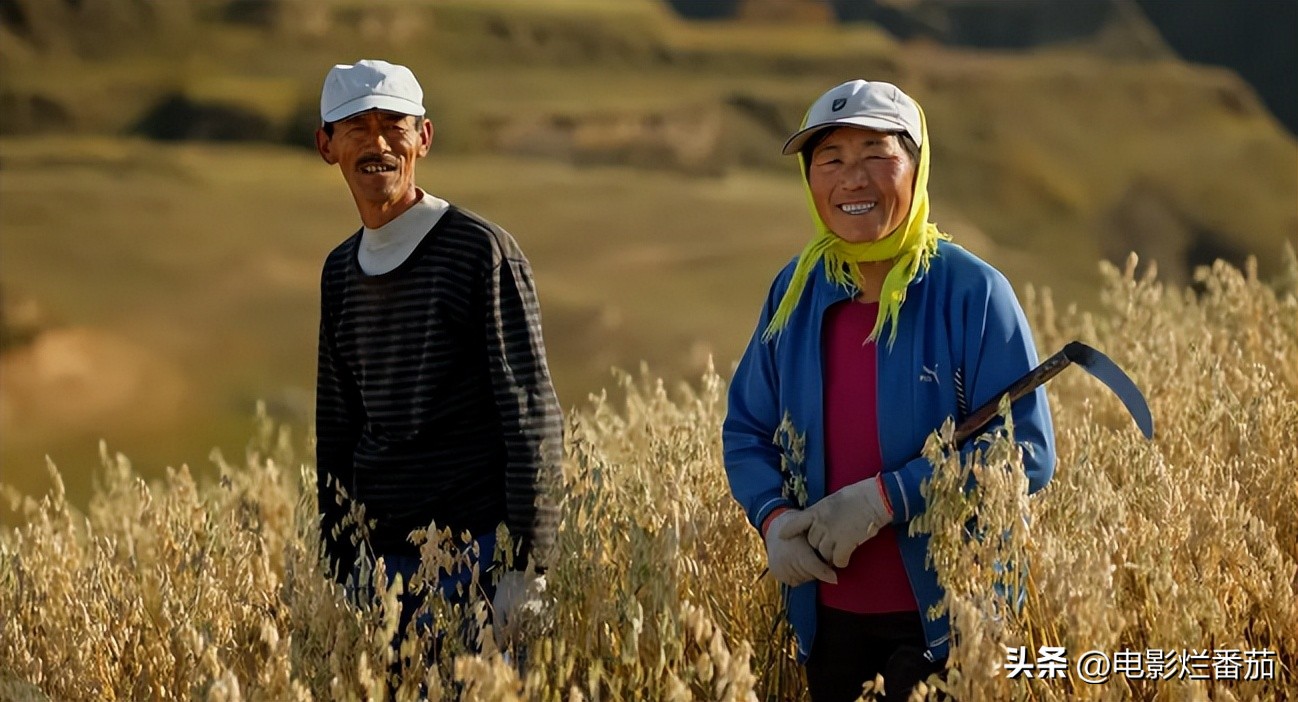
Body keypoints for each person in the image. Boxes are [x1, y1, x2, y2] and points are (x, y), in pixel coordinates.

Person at [722, 80, 1056, 701]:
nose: (853, 179)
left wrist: (885, 499)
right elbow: (747, 429)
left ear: (917, 165)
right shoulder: (795, 291)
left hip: (952, 620)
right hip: (828, 623)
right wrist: (773, 520)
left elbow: (1024, 455)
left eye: (877, 155)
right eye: (831, 160)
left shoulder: (973, 294)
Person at [312, 59, 561, 652]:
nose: (377, 143)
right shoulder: (340, 272)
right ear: (326, 145)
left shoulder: (482, 252)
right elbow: (337, 427)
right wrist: (340, 563)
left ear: (423, 137)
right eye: (356, 126)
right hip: (382, 572)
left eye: (394, 124)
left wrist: (528, 570)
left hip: (478, 563)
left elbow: (532, 417)